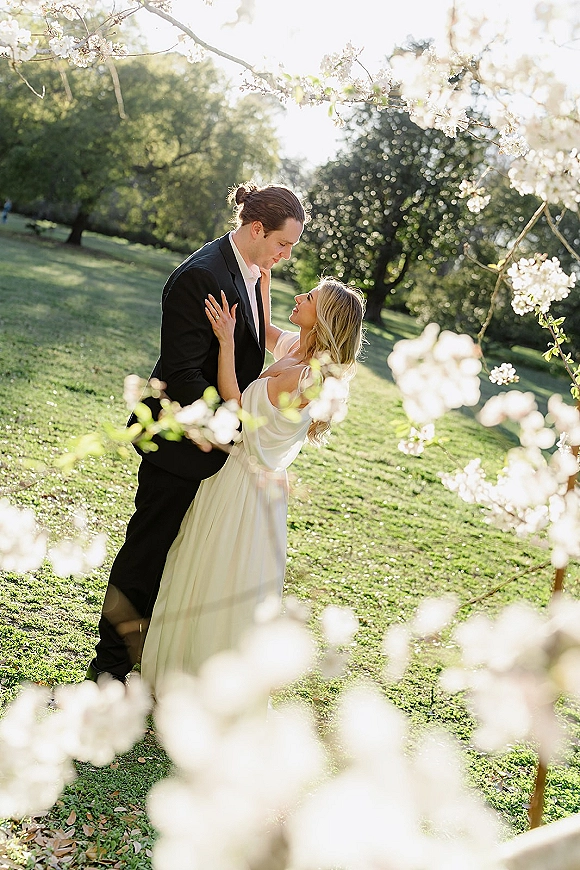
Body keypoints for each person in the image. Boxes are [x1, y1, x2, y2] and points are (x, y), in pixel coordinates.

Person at [87, 182, 307, 683]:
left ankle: (151, 659)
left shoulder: (251, 270)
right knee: (146, 555)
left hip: (219, 449)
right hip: (180, 445)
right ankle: (109, 672)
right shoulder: (201, 277)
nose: (286, 254)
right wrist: (233, 432)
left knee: (180, 560)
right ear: (256, 230)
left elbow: (252, 345)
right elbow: (184, 374)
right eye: (282, 243)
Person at [140, 272, 365, 693]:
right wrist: (261, 277)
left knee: (218, 572)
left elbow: (238, 406)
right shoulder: (300, 349)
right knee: (194, 560)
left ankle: (201, 683)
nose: (299, 297)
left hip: (245, 486)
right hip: (234, 476)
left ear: (325, 317)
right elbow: (265, 330)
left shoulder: (310, 379)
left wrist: (226, 341)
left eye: (310, 297)